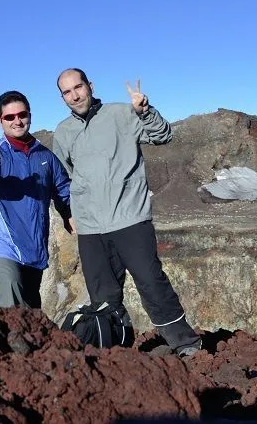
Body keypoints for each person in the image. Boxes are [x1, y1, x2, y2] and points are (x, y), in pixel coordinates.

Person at [52, 68, 202, 357]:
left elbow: (163, 135)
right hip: (91, 228)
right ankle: (115, 352)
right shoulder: (63, 132)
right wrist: (67, 212)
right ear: (62, 98)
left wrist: (145, 111)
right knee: (102, 295)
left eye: (78, 87)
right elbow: (64, 178)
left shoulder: (122, 114)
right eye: (67, 92)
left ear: (90, 86)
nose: (75, 95)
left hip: (130, 219)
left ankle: (184, 343)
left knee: (151, 280)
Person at [0, 90, 73, 309]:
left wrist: (68, 214)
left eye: (22, 115)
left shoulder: (45, 156)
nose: (17, 121)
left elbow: (63, 188)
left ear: (30, 115)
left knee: (30, 308)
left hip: (34, 245)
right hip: (2, 243)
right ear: (0, 121)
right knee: (10, 295)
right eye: (9, 117)